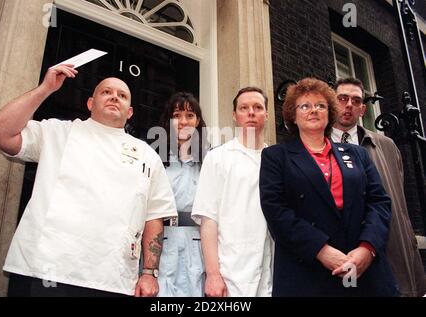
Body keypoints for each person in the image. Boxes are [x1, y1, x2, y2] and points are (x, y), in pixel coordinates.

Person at [0, 64, 177, 297]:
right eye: (106, 92)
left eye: (122, 95)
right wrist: (44, 89)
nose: (115, 96)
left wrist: (149, 272)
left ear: (130, 112)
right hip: (42, 270)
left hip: (112, 280)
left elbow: (154, 216)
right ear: (90, 103)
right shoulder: (57, 132)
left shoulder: (148, 155)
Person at [259, 77, 398, 296]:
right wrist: (321, 250)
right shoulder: (276, 157)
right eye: (305, 106)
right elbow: (276, 211)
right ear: (293, 116)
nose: (313, 110)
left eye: (321, 105)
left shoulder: (357, 154)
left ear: (329, 112)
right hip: (307, 271)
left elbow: (379, 202)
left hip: (363, 270)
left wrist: (367, 248)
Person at [331, 77, 426, 297]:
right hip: (344, 254)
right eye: (342, 98)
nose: (349, 105)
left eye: (356, 101)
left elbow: (397, 203)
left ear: (363, 109)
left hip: (388, 248)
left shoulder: (386, 146)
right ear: (331, 102)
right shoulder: (317, 145)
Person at [191, 87, 274, 297]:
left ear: (267, 114)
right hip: (230, 272)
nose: (251, 112)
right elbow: (208, 219)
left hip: (272, 270)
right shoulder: (218, 158)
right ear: (234, 116)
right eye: (244, 108)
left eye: (258, 107)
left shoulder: (276, 159)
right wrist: (212, 274)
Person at [156, 92, 209, 297]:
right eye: (176, 115)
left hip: (196, 240)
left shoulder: (210, 160)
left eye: (190, 115)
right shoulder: (156, 158)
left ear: (197, 121)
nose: (183, 122)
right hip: (162, 237)